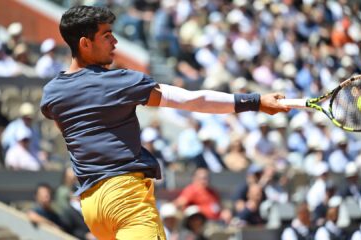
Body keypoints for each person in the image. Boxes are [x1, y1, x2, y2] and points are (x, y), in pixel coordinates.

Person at [40, 5, 289, 240]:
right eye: (106, 36)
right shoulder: (118, 81)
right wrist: (256, 101)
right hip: (125, 199)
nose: (115, 42)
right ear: (85, 43)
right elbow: (194, 100)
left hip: (92, 208)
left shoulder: (52, 93)